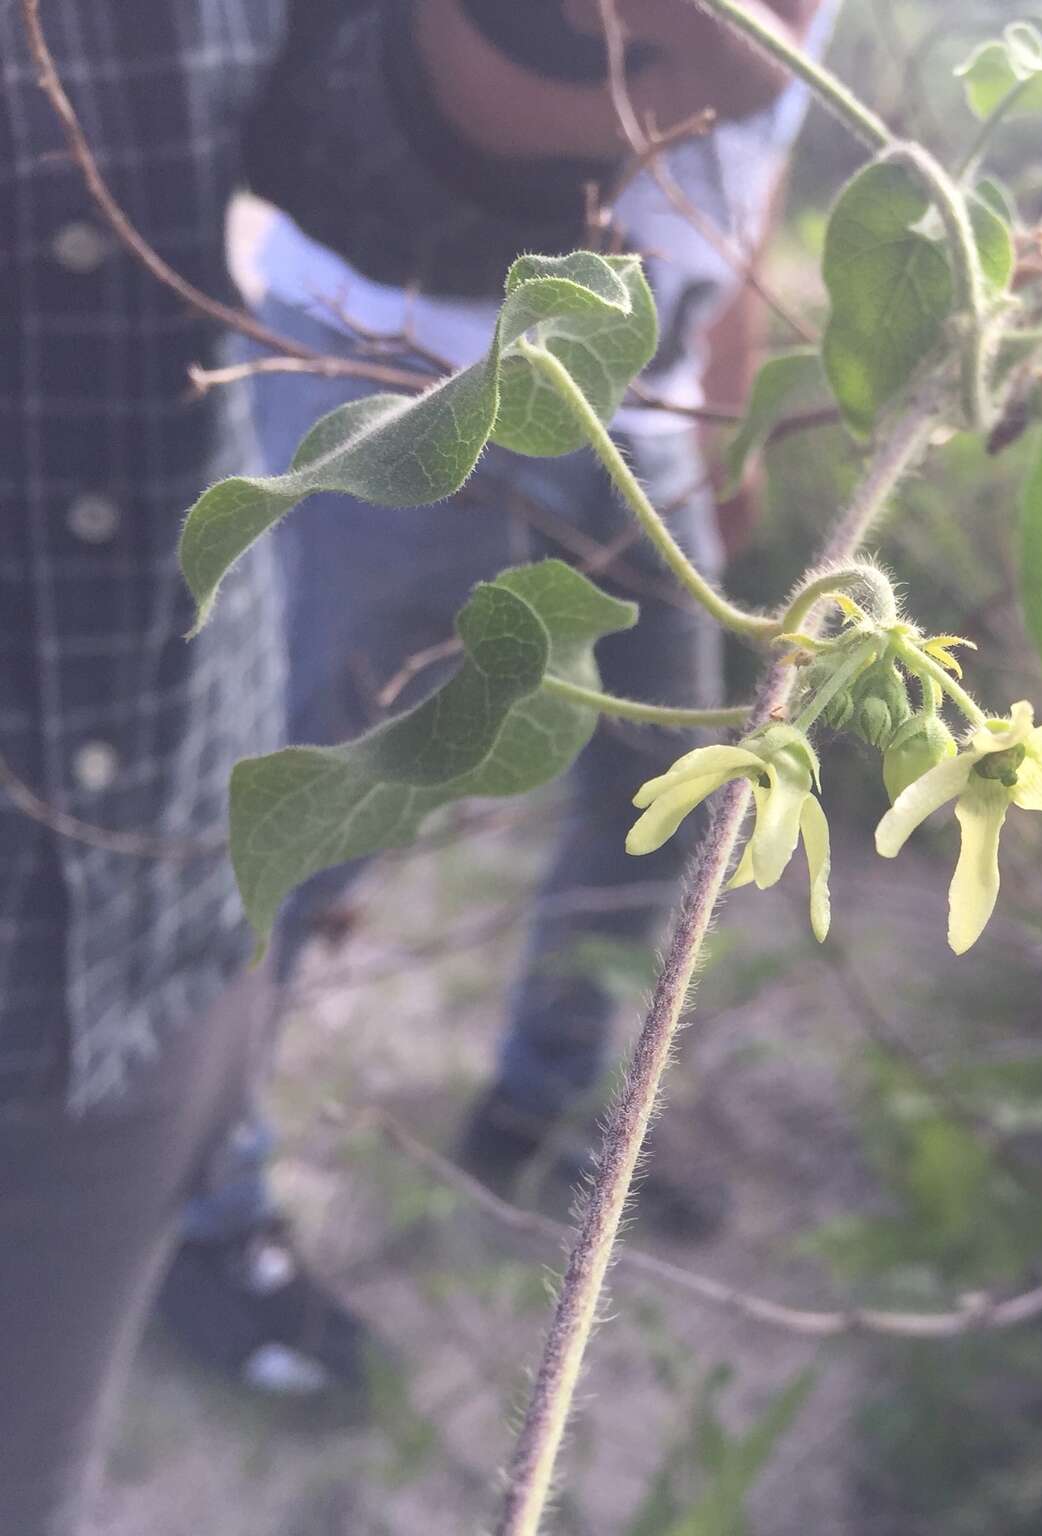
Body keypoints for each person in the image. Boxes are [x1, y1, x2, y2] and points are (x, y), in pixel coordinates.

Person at [0, 1, 814, 1527]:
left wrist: (721, 332)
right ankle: (226, 1224)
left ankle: (556, 1102)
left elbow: (366, 124)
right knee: (331, 818)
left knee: (668, 782)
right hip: (391, 383)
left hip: (141, 853)